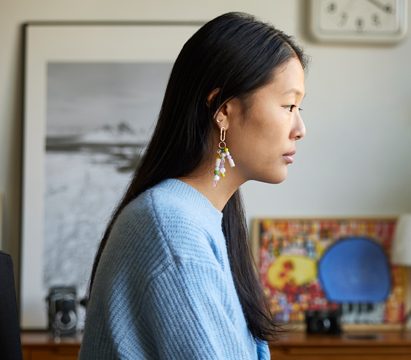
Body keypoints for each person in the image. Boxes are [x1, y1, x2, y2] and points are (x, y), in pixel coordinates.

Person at [79, 12, 307, 359]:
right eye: (289, 105)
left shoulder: (200, 218)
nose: (300, 128)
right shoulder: (170, 227)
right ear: (224, 109)